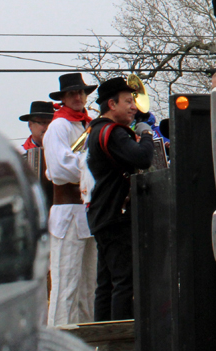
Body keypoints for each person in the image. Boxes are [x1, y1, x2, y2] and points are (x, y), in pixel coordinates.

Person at [86, 77, 154, 321]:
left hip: (102, 214)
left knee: (106, 284)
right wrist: (145, 133)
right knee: (124, 282)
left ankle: (105, 340)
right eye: (128, 101)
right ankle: (121, 342)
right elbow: (143, 158)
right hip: (116, 216)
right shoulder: (113, 132)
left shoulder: (96, 130)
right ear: (112, 105)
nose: (134, 106)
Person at [43, 73, 98, 327]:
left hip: (87, 212)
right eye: (73, 93)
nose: (78, 97)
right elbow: (59, 168)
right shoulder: (59, 126)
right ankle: (60, 339)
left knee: (89, 288)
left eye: (82, 92)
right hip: (67, 213)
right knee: (65, 286)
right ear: (63, 98)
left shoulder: (88, 123)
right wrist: (95, 166)